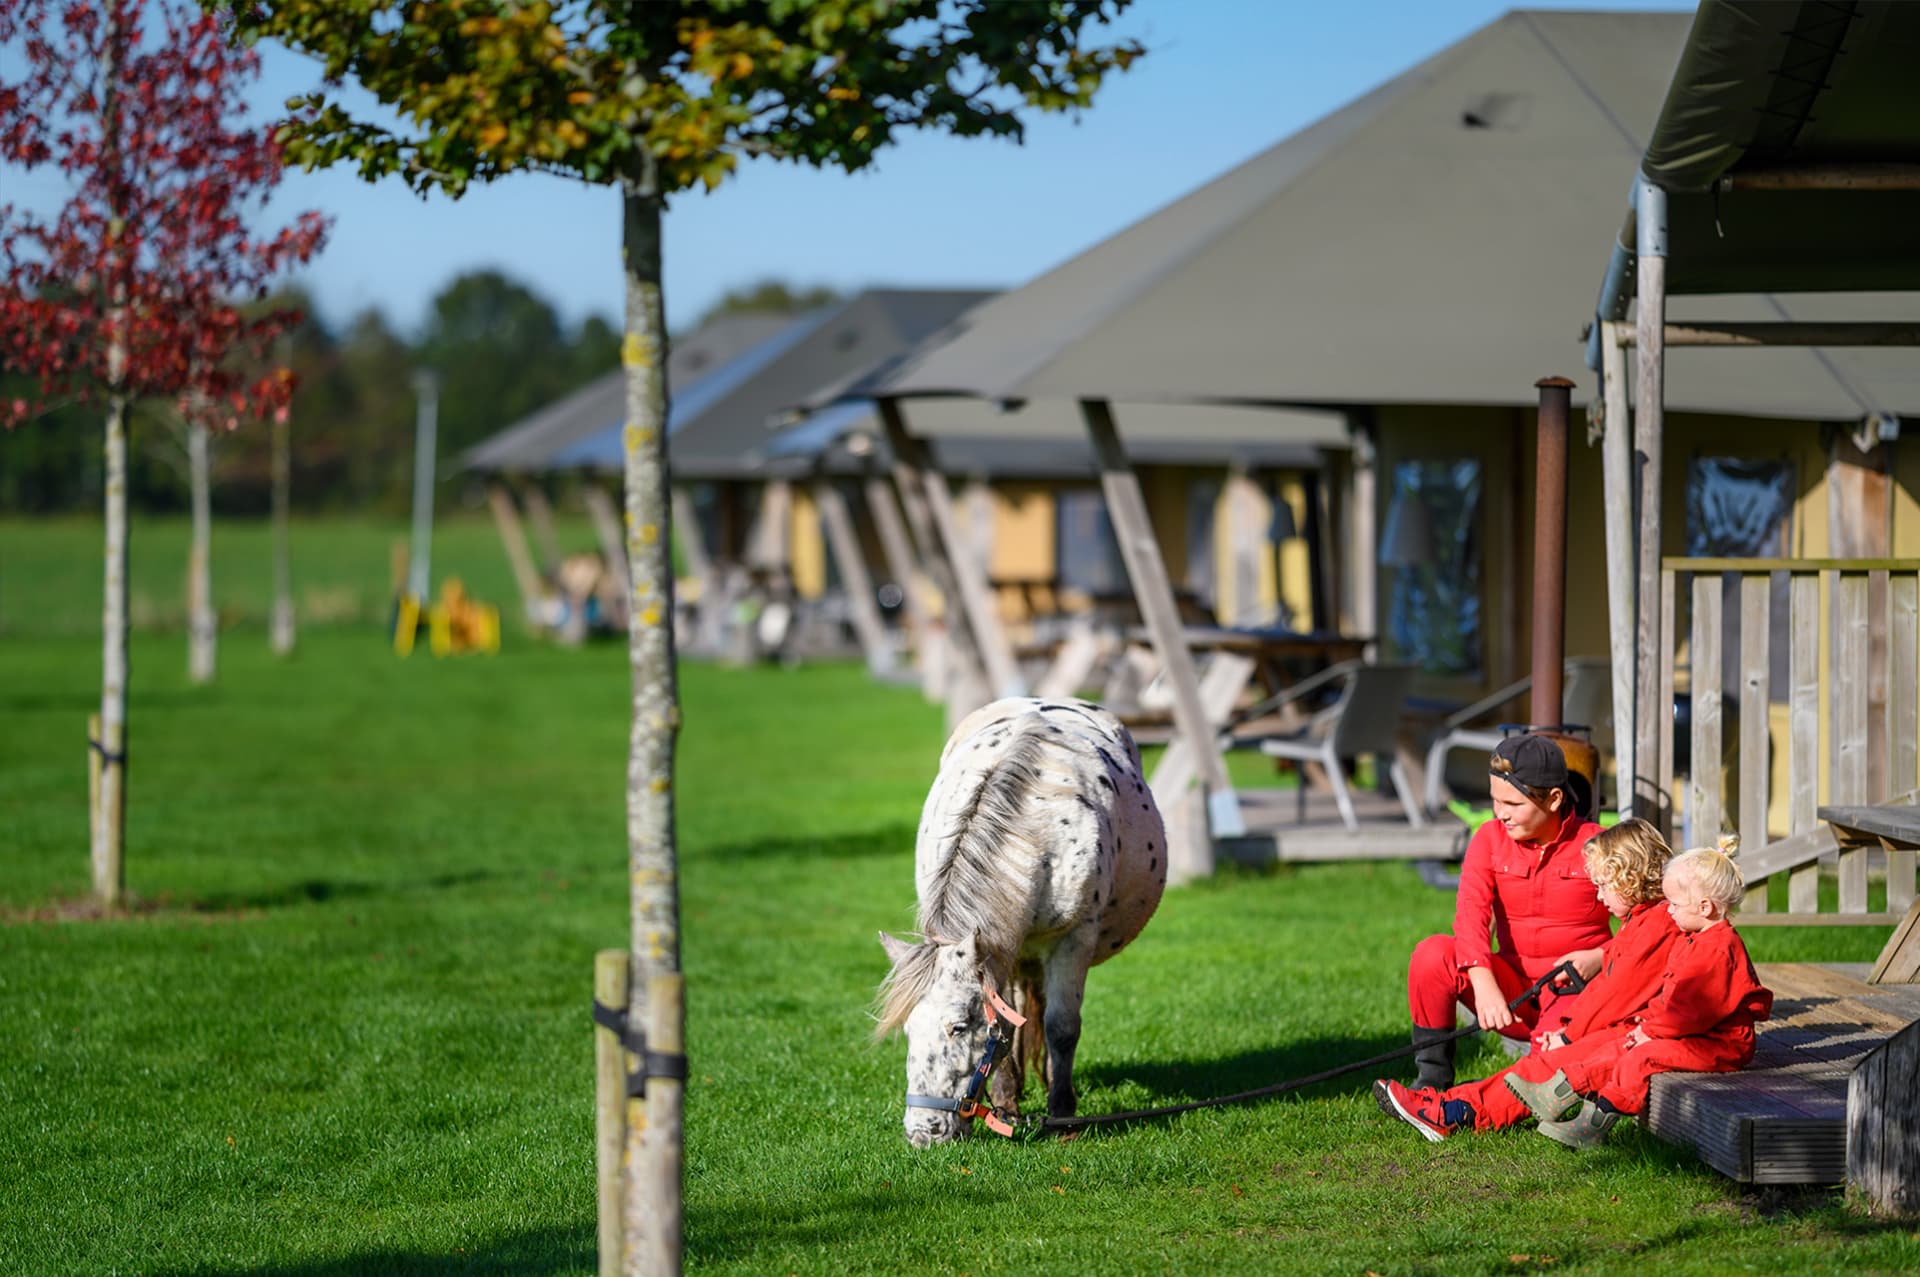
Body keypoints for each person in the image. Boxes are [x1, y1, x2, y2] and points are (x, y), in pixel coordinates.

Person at [1374, 818, 1682, 1139]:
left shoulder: (1653, 928)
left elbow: (1614, 996)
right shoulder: (1647, 923)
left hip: (1651, 1037)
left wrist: (1568, 1033)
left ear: (1629, 879)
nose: (1600, 896)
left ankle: (1453, 1111)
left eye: (1604, 885)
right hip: (1640, 1030)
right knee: (1545, 1067)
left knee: (1547, 1067)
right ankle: (1448, 1100)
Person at [1501, 840, 1772, 1148]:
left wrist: (1652, 1033)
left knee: (1642, 1057)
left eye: (1674, 904)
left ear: (1705, 907)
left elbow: (1690, 1013)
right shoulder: (1693, 938)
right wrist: (1646, 1023)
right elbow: (1671, 998)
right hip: (1693, 1032)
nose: (1668, 910)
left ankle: (1596, 1124)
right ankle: (1556, 1094)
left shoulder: (1719, 949)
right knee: (1620, 1044)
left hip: (1720, 1043)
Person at [1403, 734, 1611, 1088]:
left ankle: (1499, 1094)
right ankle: (1432, 1083)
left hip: (1575, 994)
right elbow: (1470, 917)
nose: (1500, 813)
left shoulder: (1600, 845)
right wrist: (1483, 983)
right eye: (1495, 800)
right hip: (1513, 991)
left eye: (1512, 804)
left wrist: (1600, 957)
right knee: (1432, 954)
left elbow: (1649, 929)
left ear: (1555, 799)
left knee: (1542, 1080)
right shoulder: (1488, 838)